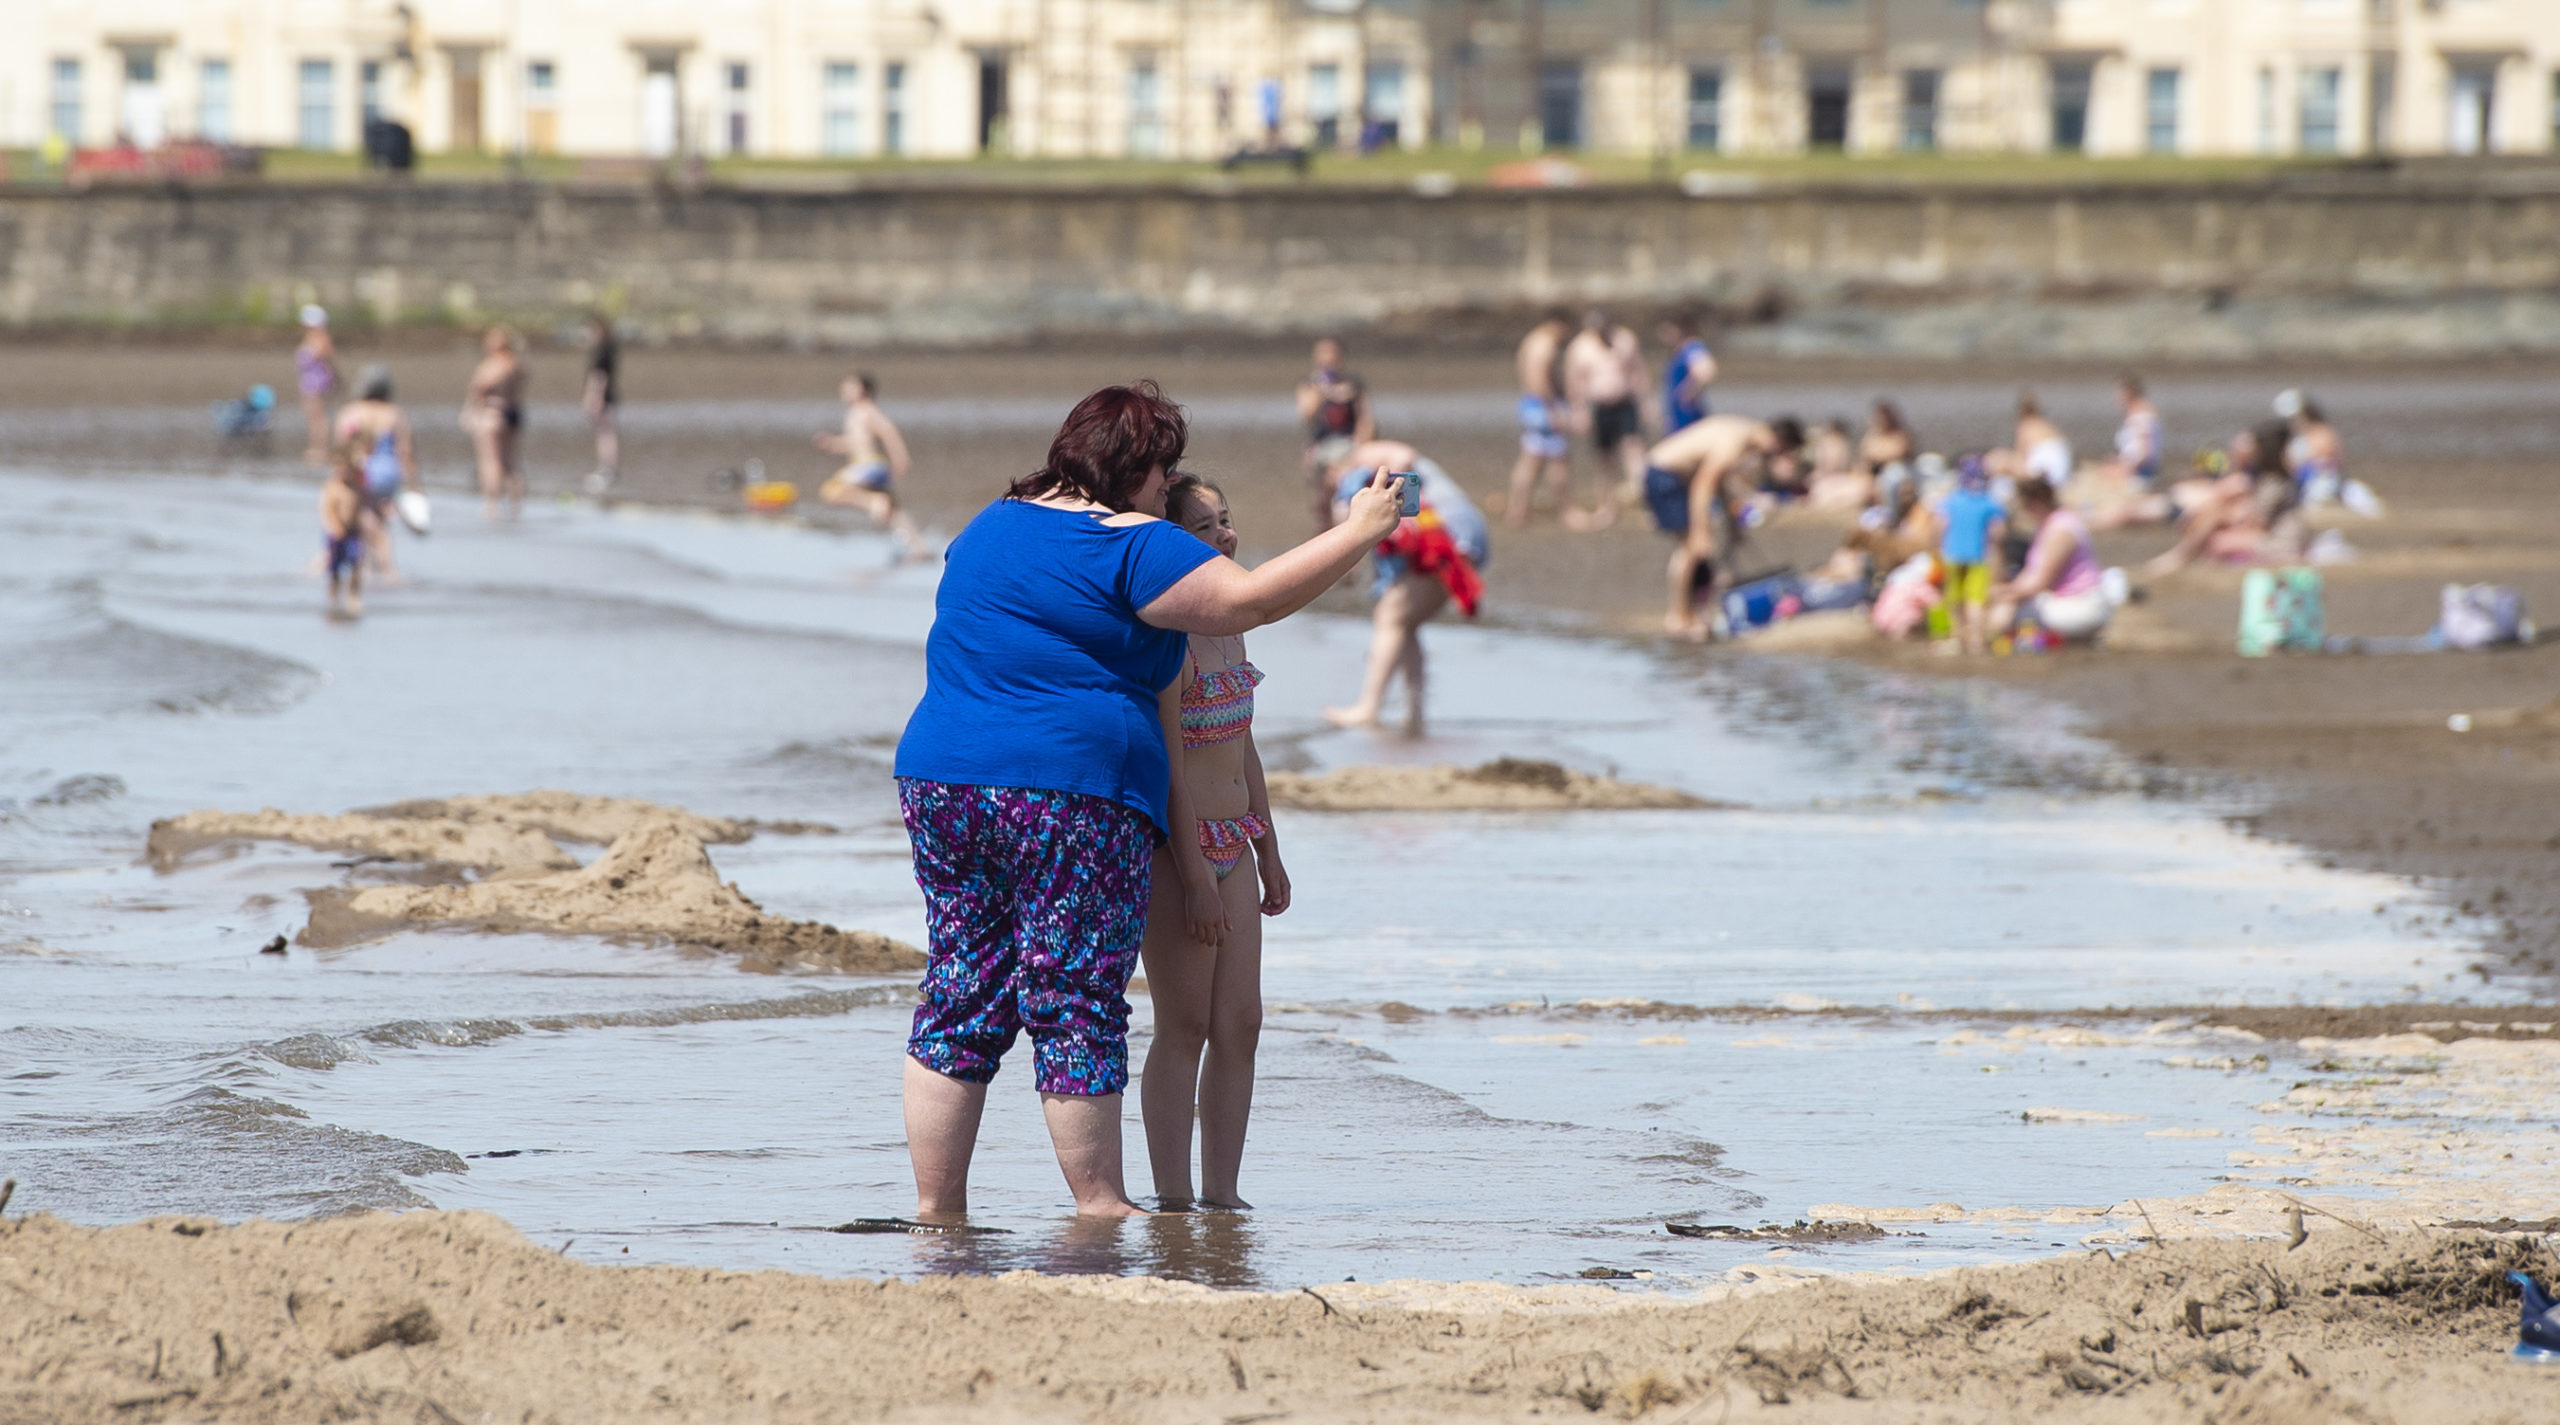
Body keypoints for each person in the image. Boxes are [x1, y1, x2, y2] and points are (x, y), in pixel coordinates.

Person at [890, 381, 1406, 1221]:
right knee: (1075, 993)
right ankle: (1101, 1204)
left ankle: (937, 1209)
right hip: (1063, 794)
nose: (1165, 496)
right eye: (1162, 480)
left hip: (940, 779)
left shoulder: (991, 524)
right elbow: (1251, 598)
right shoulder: (1128, 541)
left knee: (962, 988)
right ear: (1132, 470)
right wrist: (1358, 532)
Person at [1140, 473, 1290, 1211]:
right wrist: (1195, 875)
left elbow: (1243, 745)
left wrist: (1269, 848)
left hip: (1237, 835)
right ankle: (1172, 1196)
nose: (1226, 535)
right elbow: (1166, 761)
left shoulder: (1232, 624)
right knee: (1186, 1020)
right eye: (1207, 527)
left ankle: (1222, 1193)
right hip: (1179, 847)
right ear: (1170, 542)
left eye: (1226, 520)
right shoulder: (1169, 637)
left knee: (1241, 1021)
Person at [1321, 440, 1489, 735]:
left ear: (1333, 469)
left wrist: (1395, 491)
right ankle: (1414, 714)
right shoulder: (1366, 470)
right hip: (1461, 530)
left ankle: (1368, 707)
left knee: (1391, 618)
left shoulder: (1359, 464)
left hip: (1444, 532)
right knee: (1405, 623)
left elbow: (1403, 455)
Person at [1639, 414, 1804, 639]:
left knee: (1693, 549)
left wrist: (1733, 527)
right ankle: (1678, 618)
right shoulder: (1735, 441)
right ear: (1779, 441)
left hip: (1669, 475)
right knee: (1691, 549)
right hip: (1665, 475)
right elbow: (1702, 486)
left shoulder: (1741, 432)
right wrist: (1701, 533)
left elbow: (1718, 485)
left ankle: (1691, 615)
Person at [816, 372, 925, 558]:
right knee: (894, 511)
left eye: (849, 386)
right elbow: (856, 443)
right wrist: (833, 444)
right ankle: (919, 548)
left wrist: (901, 458)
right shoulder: (856, 413)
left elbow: (888, 431)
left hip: (869, 466)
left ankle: (873, 502)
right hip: (870, 467)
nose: (844, 389)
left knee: (830, 491)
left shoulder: (865, 410)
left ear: (862, 390)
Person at [1991, 476, 2111, 644]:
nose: (2024, 513)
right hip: (2067, 601)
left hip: (2083, 606)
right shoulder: (2049, 525)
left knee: (2003, 615)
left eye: (2025, 507)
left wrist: (2005, 596)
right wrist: (2006, 592)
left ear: (2037, 503)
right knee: (2004, 608)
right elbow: (2029, 574)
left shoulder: (2061, 530)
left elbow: (2040, 582)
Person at [1562, 309, 1650, 523]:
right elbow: (1573, 382)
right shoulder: (1580, 347)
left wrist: (1647, 402)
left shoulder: (1625, 340)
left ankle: (1646, 503)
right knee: (1604, 458)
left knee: (1634, 452)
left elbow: (1638, 372)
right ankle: (1607, 507)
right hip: (1598, 407)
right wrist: (1579, 411)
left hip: (1625, 403)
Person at [333, 364, 415, 580]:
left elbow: (342, 448)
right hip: (389, 472)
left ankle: (386, 569)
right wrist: (413, 485)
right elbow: (405, 451)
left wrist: (339, 477)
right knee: (379, 517)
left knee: (366, 518)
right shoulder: (394, 413)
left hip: (363, 470)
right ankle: (376, 567)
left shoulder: (351, 411)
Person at [1505, 312, 1576, 528]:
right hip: (1543, 406)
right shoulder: (1545, 345)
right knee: (1557, 458)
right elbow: (1540, 380)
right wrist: (1554, 409)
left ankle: (1517, 510)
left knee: (1531, 459)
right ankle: (1566, 511)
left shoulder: (1531, 340)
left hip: (1530, 404)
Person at [1294, 338, 1373, 531]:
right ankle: (1323, 537)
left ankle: (1344, 534)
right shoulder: (1309, 384)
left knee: (1344, 495)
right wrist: (1322, 391)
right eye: (1323, 353)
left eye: (1332, 353)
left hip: (1347, 444)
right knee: (1321, 500)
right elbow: (1307, 414)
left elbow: (1366, 420)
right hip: (1321, 445)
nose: (1328, 358)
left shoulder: (1353, 385)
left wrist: (1360, 447)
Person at [1936, 457, 2007, 654]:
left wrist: (1936, 548)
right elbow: (1998, 533)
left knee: (1954, 598)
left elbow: (1940, 526)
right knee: (1975, 600)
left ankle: (1957, 637)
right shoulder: (1989, 502)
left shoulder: (1951, 500)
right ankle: (1976, 641)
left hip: (1952, 555)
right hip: (1978, 557)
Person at [462, 325, 526, 519]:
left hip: (491, 413)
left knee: (490, 460)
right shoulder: (516, 364)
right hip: (512, 413)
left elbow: (482, 387)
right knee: (509, 461)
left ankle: (492, 503)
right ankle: (515, 503)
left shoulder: (495, 364)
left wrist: (474, 412)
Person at [320, 436, 369, 619]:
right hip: (335, 533)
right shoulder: (333, 487)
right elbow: (328, 509)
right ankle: (333, 595)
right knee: (335, 569)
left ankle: (353, 595)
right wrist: (336, 527)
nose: (342, 473)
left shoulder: (358, 487)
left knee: (356, 564)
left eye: (346, 470)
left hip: (354, 533)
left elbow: (365, 505)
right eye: (338, 469)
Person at [294, 305, 339, 466]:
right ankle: (316, 447)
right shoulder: (309, 338)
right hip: (309, 381)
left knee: (319, 417)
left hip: (318, 382)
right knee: (312, 416)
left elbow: (327, 359)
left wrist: (335, 379)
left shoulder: (321, 339)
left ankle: (321, 450)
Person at [1657, 314, 1717, 435]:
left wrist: (1689, 391)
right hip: (1676, 414)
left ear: (1678, 329)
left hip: (1687, 414)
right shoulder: (1678, 350)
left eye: (1666, 330)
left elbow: (1707, 371)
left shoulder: (1693, 347)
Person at [581, 314, 621, 493]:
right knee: (606, 433)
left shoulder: (601, 350)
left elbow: (599, 376)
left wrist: (594, 397)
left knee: (605, 434)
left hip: (602, 397)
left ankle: (607, 470)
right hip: (608, 396)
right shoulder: (610, 348)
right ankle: (607, 469)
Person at [2005, 392, 2073, 487]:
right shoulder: (2046, 425)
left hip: (2043, 474)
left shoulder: (2026, 425)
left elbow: (2020, 456)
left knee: (1999, 460)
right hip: (2062, 474)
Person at [2106, 373, 2162, 486]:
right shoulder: (2134, 414)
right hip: (2133, 469)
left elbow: (2145, 453)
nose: (2115, 397)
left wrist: (2123, 469)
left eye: (2118, 392)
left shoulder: (2142, 415)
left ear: (2129, 392)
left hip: (2140, 474)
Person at [1857, 400, 1917, 477]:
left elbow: (1898, 453)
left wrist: (1878, 457)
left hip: (1897, 472)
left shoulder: (1900, 434)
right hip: (1874, 471)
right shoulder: (1871, 436)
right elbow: (1866, 454)